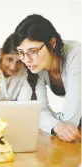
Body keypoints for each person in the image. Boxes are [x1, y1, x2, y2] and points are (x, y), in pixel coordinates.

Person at [13, 14, 81, 142]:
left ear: (52, 42)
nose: (26, 60)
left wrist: (59, 124)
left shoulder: (76, 54)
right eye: (21, 52)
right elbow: (37, 110)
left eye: (32, 51)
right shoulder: (36, 67)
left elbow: (70, 121)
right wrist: (56, 125)